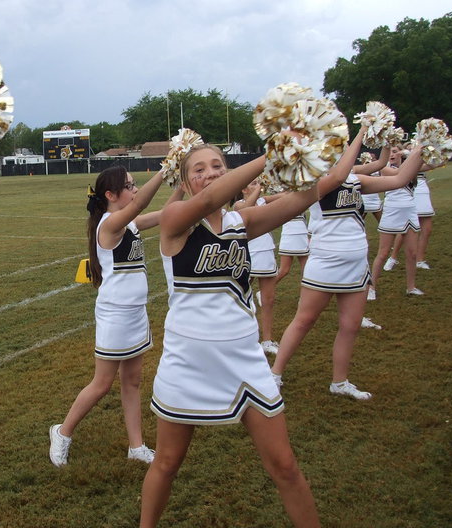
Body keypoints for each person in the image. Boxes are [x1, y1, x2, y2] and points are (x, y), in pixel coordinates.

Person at [140, 143, 321, 528]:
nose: (209, 173)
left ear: (229, 170)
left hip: (245, 360)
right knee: (168, 462)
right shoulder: (175, 219)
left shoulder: (244, 222)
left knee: (285, 465)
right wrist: (273, 154)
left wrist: (313, 155)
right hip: (187, 362)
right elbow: (210, 199)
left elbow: (304, 198)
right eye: (198, 169)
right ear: (186, 182)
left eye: (217, 165)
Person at [271, 131, 424, 400]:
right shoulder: (314, 182)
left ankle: (339, 382)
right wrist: (364, 131)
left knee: (351, 325)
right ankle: (275, 374)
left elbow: (400, 179)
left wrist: (421, 147)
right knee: (304, 320)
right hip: (326, 260)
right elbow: (338, 176)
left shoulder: (355, 180)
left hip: (356, 261)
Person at [49, 166, 180, 467]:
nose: (135, 189)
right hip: (115, 316)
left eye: (135, 185)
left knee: (132, 382)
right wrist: (165, 170)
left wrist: (182, 185)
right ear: (110, 195)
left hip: (136, 313)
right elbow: (141, 205)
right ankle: (62, 431)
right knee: (102, 384)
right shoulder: (108, 225)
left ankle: (136, 446)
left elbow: (167, 214)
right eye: (130, 185)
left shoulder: (129, 223)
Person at [369, 145, 424, 297]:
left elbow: (433, 164)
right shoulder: (385, 168)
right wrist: (411, 154)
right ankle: (372, 288)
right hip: (392, 211)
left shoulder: (411, 167)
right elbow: (399, 173)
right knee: (383, 252)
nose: (393, 154)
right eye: (391, 152)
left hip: (410, 211)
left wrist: (437, 148)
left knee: (412, 253)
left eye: (395, 151)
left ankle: (411, 287)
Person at [233, 180, 280, 355]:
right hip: (247, 253)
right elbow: (246, 207)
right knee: (238, 298)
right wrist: (259, 188)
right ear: (244, 188)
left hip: (266, 251)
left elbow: (288, 197)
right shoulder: (239, 204)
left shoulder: (264, 201)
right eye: (253, 183)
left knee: (268, 300)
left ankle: (267, 340)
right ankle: (238, 337)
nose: (258, 185)